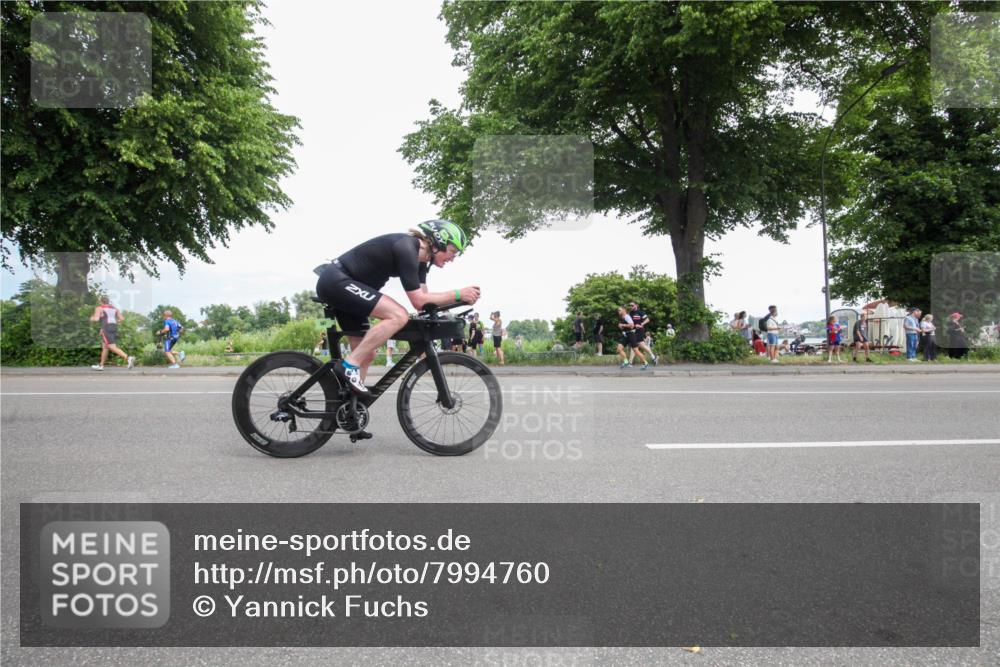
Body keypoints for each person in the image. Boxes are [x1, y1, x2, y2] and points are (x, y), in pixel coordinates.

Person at [315, 220, 478, 396]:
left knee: (367, 354)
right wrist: (458, 294)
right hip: (336, 281)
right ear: (439, 241)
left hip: (347, 289)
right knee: (399, 316)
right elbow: (418, 300)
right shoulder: (408, 247)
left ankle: (347, 408)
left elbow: (426, 301)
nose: (453, 258)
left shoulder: (422, 261)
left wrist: (460, 301)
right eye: (453, 251)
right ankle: (348, 366)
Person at [89, 296, 134, 371]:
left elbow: (96, 319)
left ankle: (128, 358)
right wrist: (114, 323)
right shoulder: (114, 308)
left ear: (101, 301)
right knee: (105, 346)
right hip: (114, 327)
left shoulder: (99, 308)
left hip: (106, 327)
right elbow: (122, 319)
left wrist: (92, 318)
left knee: (111, 346)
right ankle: (101, 365)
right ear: (108, 301)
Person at [616, 305, 648, 370]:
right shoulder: (622, 317)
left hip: (631, 334)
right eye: (618, 310)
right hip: (626, 335)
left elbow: (632, 325)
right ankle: (626, 361)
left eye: (619, 310)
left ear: (624, 310)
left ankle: (645, 363)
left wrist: (622, 325)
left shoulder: (627, 316)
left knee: (636, 350)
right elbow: (625, 326)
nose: (618, 311)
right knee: (619, 348)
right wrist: (621, 326)